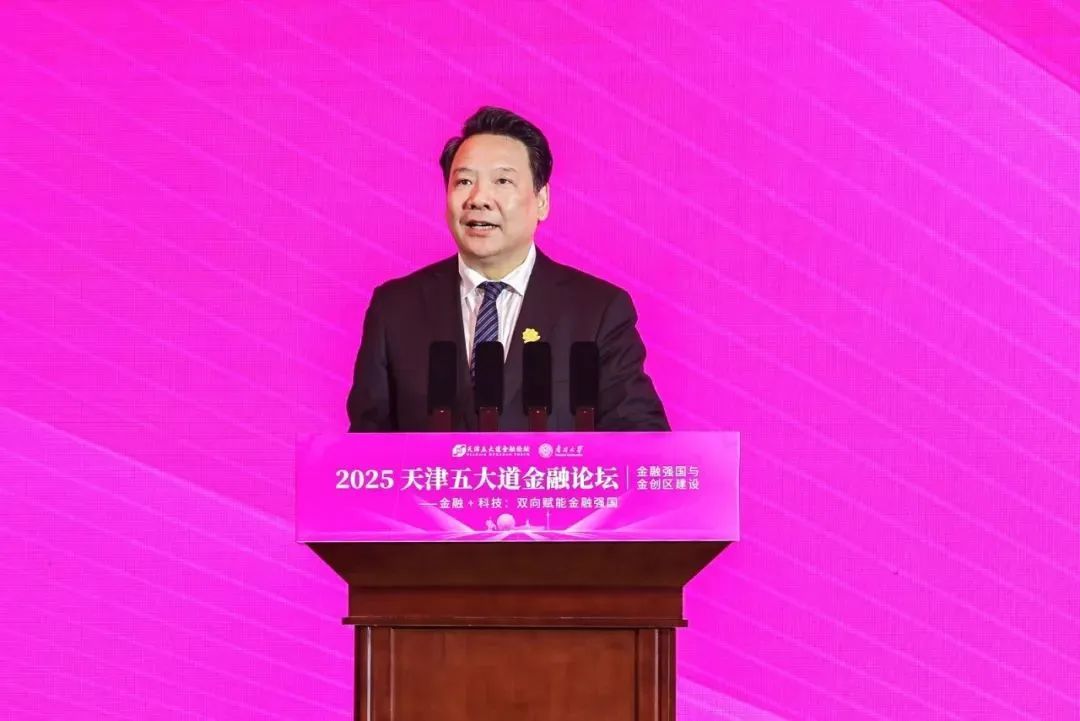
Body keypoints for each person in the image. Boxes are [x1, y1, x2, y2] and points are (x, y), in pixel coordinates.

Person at [347, 106, 668, 432]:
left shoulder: (597, 310)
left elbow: (641, 438)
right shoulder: (395, 308)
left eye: (502, 180)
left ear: (541, 200)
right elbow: (363, 446)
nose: (478, 198)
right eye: (464, 181)